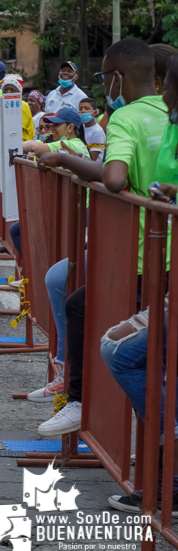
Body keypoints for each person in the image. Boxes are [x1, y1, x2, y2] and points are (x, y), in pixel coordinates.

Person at [32, 39, 168, 438]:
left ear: (117, 78)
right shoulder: (167, 115)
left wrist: (61, 159)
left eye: (105, 77)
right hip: (149, 248)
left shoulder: (126, 117)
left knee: (109, 335)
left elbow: (114, 178)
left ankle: (85, 403)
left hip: (143, 252)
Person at [100, 53, 178, 513]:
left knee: (123, 352)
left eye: (167, 89)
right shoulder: (167, 124)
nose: (162, 97)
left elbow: (114, 178)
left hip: (161, 264)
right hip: (163, 264)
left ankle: (169, 473)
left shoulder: (131, 117)